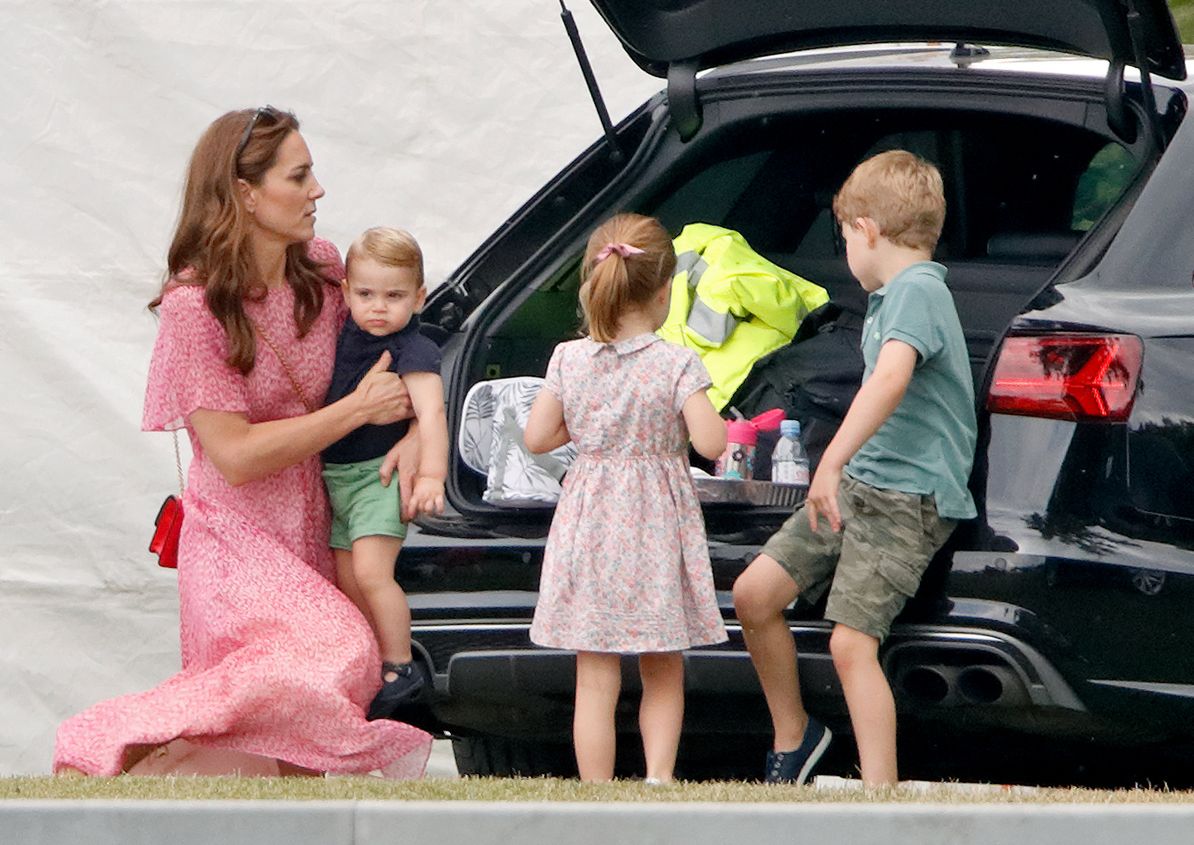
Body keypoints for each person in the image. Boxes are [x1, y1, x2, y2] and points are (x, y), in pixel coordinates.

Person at [53, 107, 432, 778]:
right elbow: (234, 454)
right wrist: (352, 412)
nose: (318, 190)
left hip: (317, 526)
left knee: (309, 728)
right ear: (245, 193)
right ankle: (104, 743)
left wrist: (415, 436)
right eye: (300, 174)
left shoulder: (321, 268)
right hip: (234, 539)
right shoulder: (193, 307)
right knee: (337, 648)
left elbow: (396, 349)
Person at [732, 150, 977, 787]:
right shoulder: (895, 295)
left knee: (851, 643)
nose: (846, 251)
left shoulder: (918, 292)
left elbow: (892, 379)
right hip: (864, 483)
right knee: (755, 595)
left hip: (905, 495)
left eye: (843, 237)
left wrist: (829, 462)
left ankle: (880, 796)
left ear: (866, 229)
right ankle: (796, 734)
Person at [523, 213, 729, 783]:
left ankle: (597, 790)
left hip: (591, 521)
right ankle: (658, 779)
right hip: (654, 527)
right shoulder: (676, 362)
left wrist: (591, 430)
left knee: (595, 673)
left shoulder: (568, 358)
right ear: (665, 293)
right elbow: (711, 442)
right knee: (663, 664)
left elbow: (537, 437)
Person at [322, 227, 447, 721]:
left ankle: (401, 665)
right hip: (336, 478)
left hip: (379, 476)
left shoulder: (414, 348)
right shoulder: (341, 336)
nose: (378, 307)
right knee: (349, 581)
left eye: (394, 296)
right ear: (346, 291)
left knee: (375, 573)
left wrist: (431, 474)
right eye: (365, 294)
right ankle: (372, 661)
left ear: (419, 298)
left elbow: (432, 414)